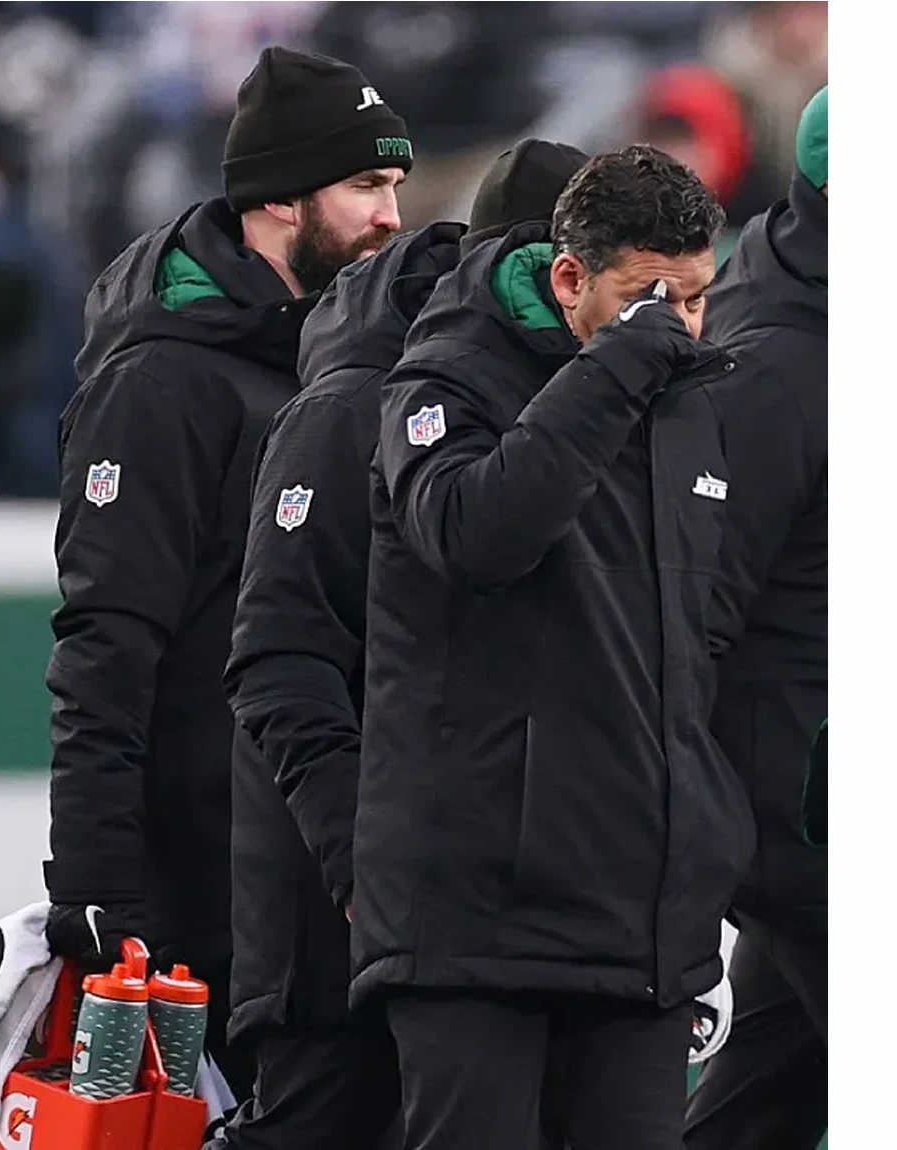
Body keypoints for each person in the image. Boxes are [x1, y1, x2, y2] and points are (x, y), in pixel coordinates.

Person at [349, 144, 756, 1150]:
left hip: (640, 928)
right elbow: (476, 535)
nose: (678, 325)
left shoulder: (693, 403)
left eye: (696, 297)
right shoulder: (443, 378)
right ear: (569, 277)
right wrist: (615, 367)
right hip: (476, 925)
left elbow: (699, 647)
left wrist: (708, 845)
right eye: (648, 297)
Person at [39, 45, 413, 1099]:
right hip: (199, 894)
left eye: (394, 183)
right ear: (282, 199)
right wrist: (98, 887)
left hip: (314, 873)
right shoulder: (159, 383)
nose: (392, 216)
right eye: (366, 184)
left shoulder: (346, 372)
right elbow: (106, 645)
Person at [225, 138, 591, 1150]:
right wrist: (361, 867)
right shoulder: (353, 407)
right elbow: (280, 659)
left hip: (491, 912)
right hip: (334, 914)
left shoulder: (573, 413)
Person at [684, 84, 828, 1150]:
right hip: (805, 812)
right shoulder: (777, 363)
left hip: (809, 804)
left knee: (758, 1109)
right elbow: (696, 607)